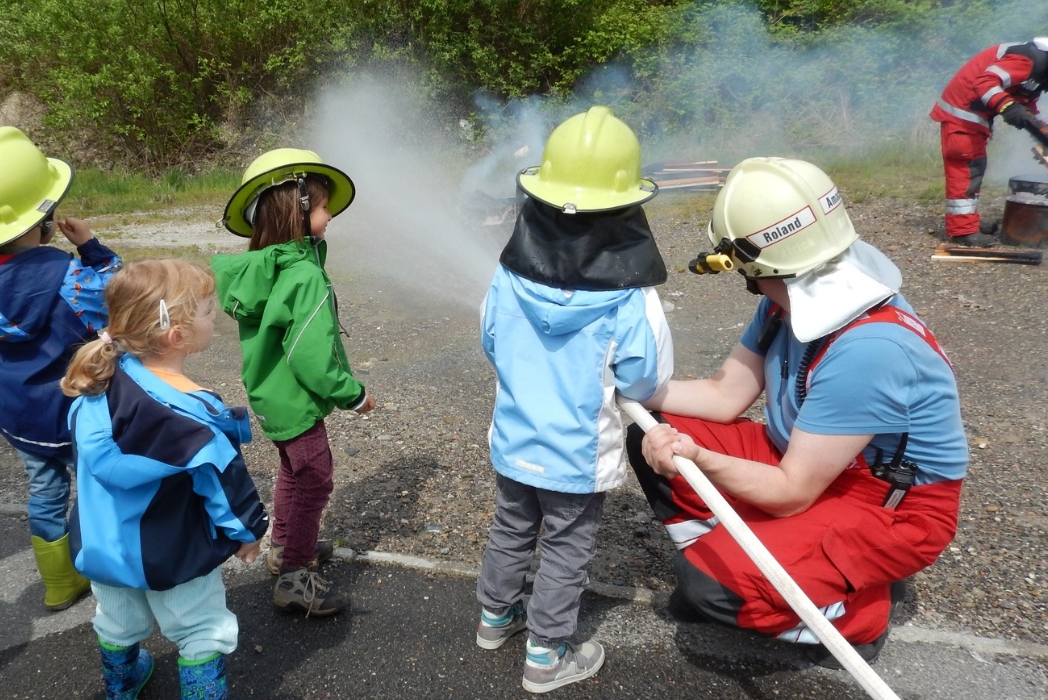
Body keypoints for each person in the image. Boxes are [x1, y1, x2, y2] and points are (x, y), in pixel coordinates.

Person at [626, 157, 968, 668]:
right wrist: (626, 386)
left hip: (888, 505)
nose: (746, 284)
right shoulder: (793, 295)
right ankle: (741, 558)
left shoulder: (869, 350)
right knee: (651, 432)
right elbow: (724, 395)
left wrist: (699, 458)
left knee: (713, 589)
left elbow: (791, 492)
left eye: (746, 276)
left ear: (760, 267)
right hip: (803, 460)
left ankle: (861, 615)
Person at [475, 106, 674, 693]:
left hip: (515, 441)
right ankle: (546, 655)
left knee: (511, 526)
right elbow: (644, 381)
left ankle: (494, 619)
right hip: (576, 457)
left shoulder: (507, 276)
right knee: (566, 548)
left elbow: (490, 340)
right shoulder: (631, 300)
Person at [61, 258, 269, 700]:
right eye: (209, 310)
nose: (215, 316)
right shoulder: (194, 412)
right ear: (177, 335)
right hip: (172, 549)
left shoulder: (97, 383)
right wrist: (249, 532)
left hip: (101, 544)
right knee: (201, 629)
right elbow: (223, 482)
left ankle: (122, 686)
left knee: (117, 622)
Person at [211, 148, 376, 617]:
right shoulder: (304, 275)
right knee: (315, 481)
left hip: (271, 396)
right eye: (322, 206)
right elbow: (311, 359)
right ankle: (295, 577)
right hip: (297, 401)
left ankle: (283, 546)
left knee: (292, 471)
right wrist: (353, 394)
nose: (330, 215)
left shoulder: (265, 264)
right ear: (297, 211)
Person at [0, 126, 122, 611]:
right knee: (97, 489)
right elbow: (116, 292)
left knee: (44, 492)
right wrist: (91, 246)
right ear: (45, 220)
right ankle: (101, 567)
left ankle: (58, 584)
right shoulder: (68, 277)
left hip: (19, 418)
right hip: (74, 415)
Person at [930, 38, 1048, 246]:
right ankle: (963, 231)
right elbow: (985, 83)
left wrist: (1041, 133)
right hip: (963, 114)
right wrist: (1008, 107)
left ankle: (969, 222)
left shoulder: (1039, 67)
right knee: (967, 170)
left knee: (974, 169)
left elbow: (1024, 100)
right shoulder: (1028, 59)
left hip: (973, 113)